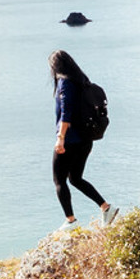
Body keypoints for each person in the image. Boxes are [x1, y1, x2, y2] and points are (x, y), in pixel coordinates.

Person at [50, 50, 117, 226]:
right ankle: (106, 207)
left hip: (70, 140)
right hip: (86, 139)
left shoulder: (65, 82)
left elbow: (66, 113)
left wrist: (60, 138)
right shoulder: (82, 82)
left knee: (59, 180)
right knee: (76, 179)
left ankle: (70, 221)